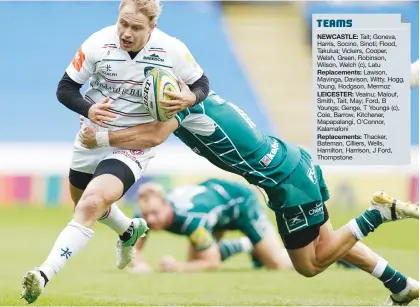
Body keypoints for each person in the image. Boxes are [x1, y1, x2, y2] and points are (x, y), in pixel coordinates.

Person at [80, 90, 419, 305]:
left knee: (309, 265)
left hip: (284, 182)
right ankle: (401, 286)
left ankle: (377, 213)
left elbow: (152, 136)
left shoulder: (178, 108)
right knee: (329, 243)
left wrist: (103, 138)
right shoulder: (201, 95)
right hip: (296, 158)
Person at [20, 0, 210, 304]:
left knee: (92, 203)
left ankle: (43, 274)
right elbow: (65, 88)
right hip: (91, 135)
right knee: (82, 203)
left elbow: (200, 83)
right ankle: (128, 230)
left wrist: (191, 97)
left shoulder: (171, 49)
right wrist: (89, 109)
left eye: (136, 27)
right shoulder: (98, 43)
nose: (126, 32)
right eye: (123, 23)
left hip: (131, 145)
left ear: (152, 28)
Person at [130, 179, 293, 272]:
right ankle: (251, 246)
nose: (150, 219)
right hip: (215, 211)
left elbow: (212, 263)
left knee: (276, 265)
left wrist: (177, 267)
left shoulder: (192, 221)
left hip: (241, 204)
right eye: (146, 214)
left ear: (166, 205)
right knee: (195, 261)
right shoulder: (144, 216)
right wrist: (140, 265)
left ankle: (254, 245)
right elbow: (132, 248)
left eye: (155, 213)